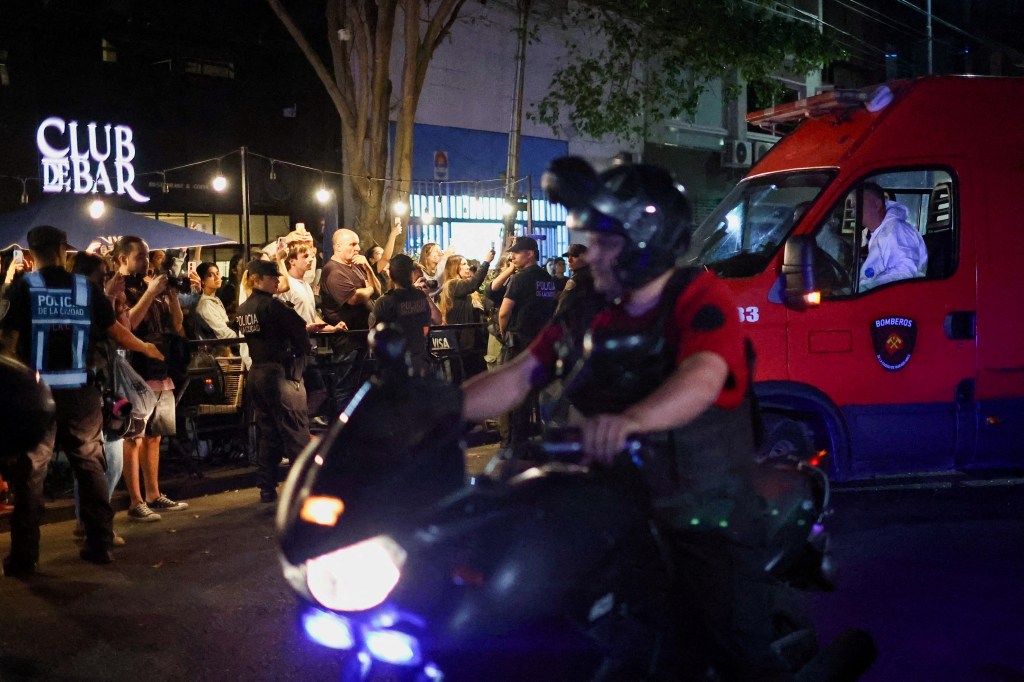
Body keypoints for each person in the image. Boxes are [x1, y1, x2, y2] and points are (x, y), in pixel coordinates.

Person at [462, 158, 785, 678]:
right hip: (616, 504)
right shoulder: (589, 307)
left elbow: (704, 374)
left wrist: (631, 420)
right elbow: (523, 372)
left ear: (645, 241)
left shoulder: (697, 294)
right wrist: (438, 409)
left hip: (705, 510)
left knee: (734, 649)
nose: (591, 256)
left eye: (605, 243)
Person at [1, 226, 163, 573]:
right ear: (63, 249)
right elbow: (115, 331)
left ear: (31, 253)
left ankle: (24, 557)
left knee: (29, 474)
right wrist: (145, 346)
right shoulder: (84, 287)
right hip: (82, 393)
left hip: (36, 396)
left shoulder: (24, 287)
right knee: (90, 467)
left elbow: (8, 339)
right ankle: (100, 544)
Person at [114, 236, 190, 523]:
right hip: (136, 369)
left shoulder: (149, 286)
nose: (146, 262)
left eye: (147, 256)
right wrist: (150, 293)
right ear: (122, 259)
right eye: (140, 257)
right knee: (133, 436)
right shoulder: (118, 287)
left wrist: (169, 295)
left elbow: (177, 324)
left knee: (154, 435)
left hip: (160, 367)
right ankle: (135, 500)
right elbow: (128, 324)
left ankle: (153, 494)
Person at [235, 259, 312, 503]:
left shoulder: (244, 308)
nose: (277, 281)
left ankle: (266, 486)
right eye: (272, 277)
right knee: (295, 431)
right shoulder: (273, 306)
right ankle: (305, 488)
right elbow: (300, 336)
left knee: (269, 433)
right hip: (281, 373)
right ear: (256, 279)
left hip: (257, 373)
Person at [369, 254, 440, 375]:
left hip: (394, 365)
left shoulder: (385, 302)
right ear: (411, 273)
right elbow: (428, 324)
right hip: (419, 360)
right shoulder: (421, 297)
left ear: (390, 274)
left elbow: (375, 334)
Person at [858, 181, 928, 290]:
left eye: (859, 202)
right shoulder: (879, 232)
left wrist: (865, 289)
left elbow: (906, 272)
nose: (854, 208)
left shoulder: (897, 230)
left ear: (877, 205)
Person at [440, 248, 495, 380]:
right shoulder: (452, 285)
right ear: (454, 268)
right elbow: (473, 283)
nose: (467, 267)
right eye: (463, 264)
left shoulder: (466, 289)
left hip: (474, 342)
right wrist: (486, 262)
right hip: (462, 344)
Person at [194, 262, 239, 344]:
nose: (217, 277)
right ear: (202, 281)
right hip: (220, 349)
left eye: (217, 273)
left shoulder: (216, 299)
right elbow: (223, 333)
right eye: (211, 275)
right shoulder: (206, 304)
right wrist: (242, 341)